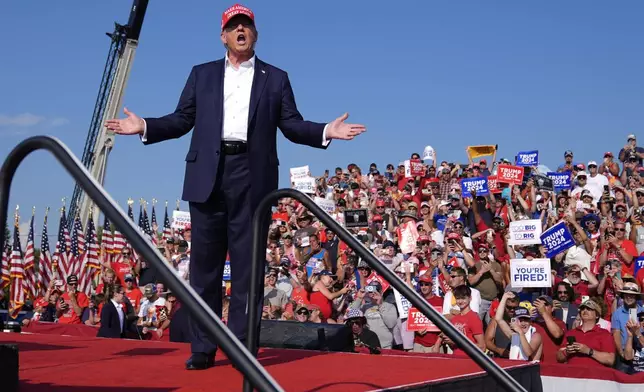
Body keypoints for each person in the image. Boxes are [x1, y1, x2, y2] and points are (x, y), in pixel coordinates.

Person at [105, 4, 366, 370]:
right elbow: (181, 120)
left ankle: (243, 349)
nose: (241, 31)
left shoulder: (275, 78)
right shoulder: (202, 75)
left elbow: (291, 124)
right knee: (204, 270)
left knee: (249, 269)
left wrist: (326, 131)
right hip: (208, 173)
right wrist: (144, 126)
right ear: (223, 36)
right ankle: (203, 347)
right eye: (234, 26)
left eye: (247, 26)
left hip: (252, 175)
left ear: (255, 34)